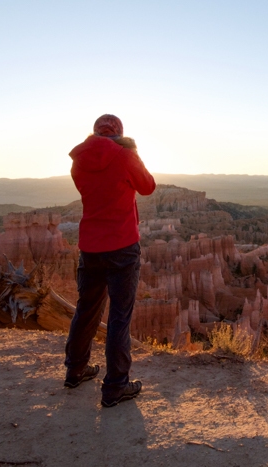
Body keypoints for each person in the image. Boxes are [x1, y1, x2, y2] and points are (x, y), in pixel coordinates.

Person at [64, 114, 156, 407]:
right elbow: (148, 186)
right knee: (119, 316)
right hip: (123, 246)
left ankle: (75, 369)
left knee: (87, 308)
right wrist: (133, 152)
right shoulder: (125, 155)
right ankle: (116, 385)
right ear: (118, 134)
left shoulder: (78, 161)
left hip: (90, 246)